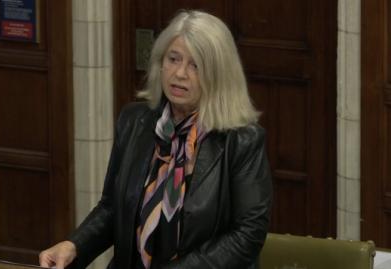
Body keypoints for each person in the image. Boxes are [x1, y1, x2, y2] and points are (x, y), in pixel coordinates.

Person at [39, 10, 272, 269]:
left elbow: (247, 234)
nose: (180, 73)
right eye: (174, 59)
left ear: (218, 75)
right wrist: (74, 246)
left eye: (196, 65)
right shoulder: (134, 121)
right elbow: (113, 208)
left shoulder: (242, 140)